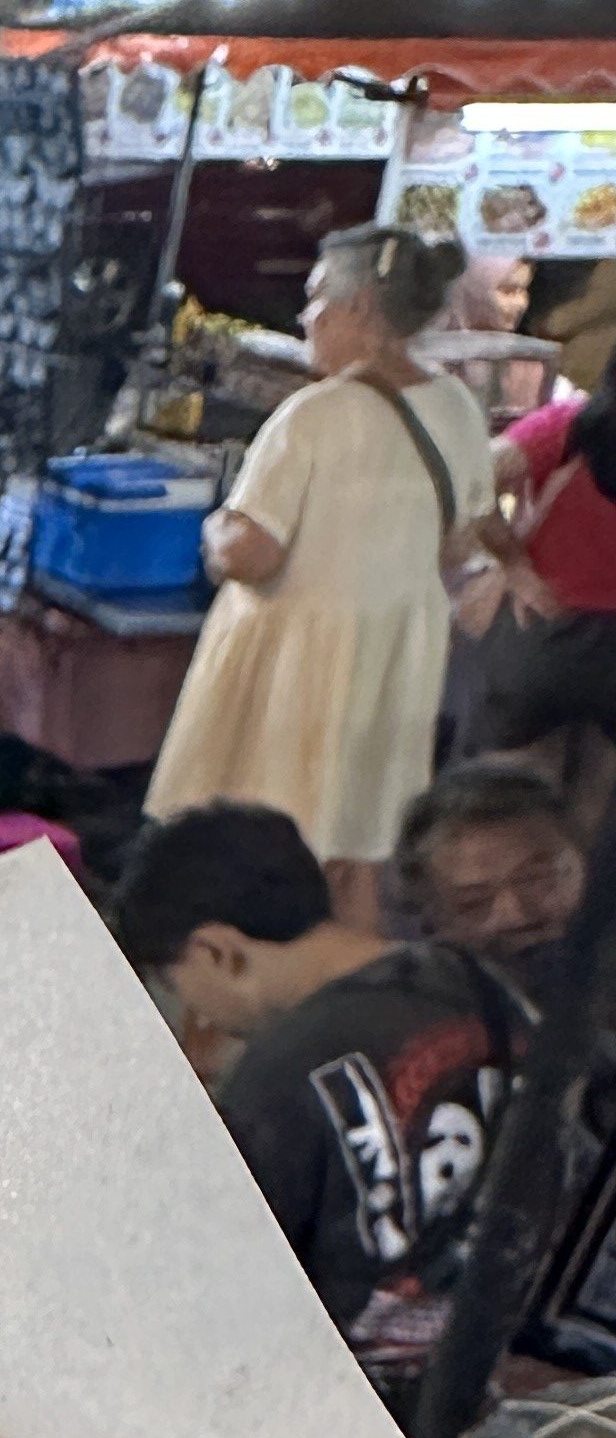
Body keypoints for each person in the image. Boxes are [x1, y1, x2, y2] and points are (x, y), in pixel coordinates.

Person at [115, 798, 533, 1415]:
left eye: (180, 989)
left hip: (375, 1417)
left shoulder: (279, 1071)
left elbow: (224, 1290)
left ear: (217, 952)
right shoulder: (478, 979)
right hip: (519, 1369)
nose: (200, 1016)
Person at [144, 226, 498, 924]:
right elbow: (460, 544)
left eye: (316, 300)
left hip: (297, 674)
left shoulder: (313, 415)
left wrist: (216, 529)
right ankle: (346, 1004)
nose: (306, 318)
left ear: (362, 311)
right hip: (396, 661)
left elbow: (252, 553)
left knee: (255, 844)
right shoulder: (456, 406)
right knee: (357, 851)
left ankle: (230, 1011)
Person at [463, 368, 616, 829]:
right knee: (594, 807)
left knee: (506, 802)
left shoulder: (571, 425)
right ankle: (574, 899)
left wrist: (513, 563)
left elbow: (474, 481)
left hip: (543, 630)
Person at [395, 758, 586, 988]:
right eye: (474, 902)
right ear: (433, 924)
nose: (516, 916)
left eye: (537, 880)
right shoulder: (419, 1015)